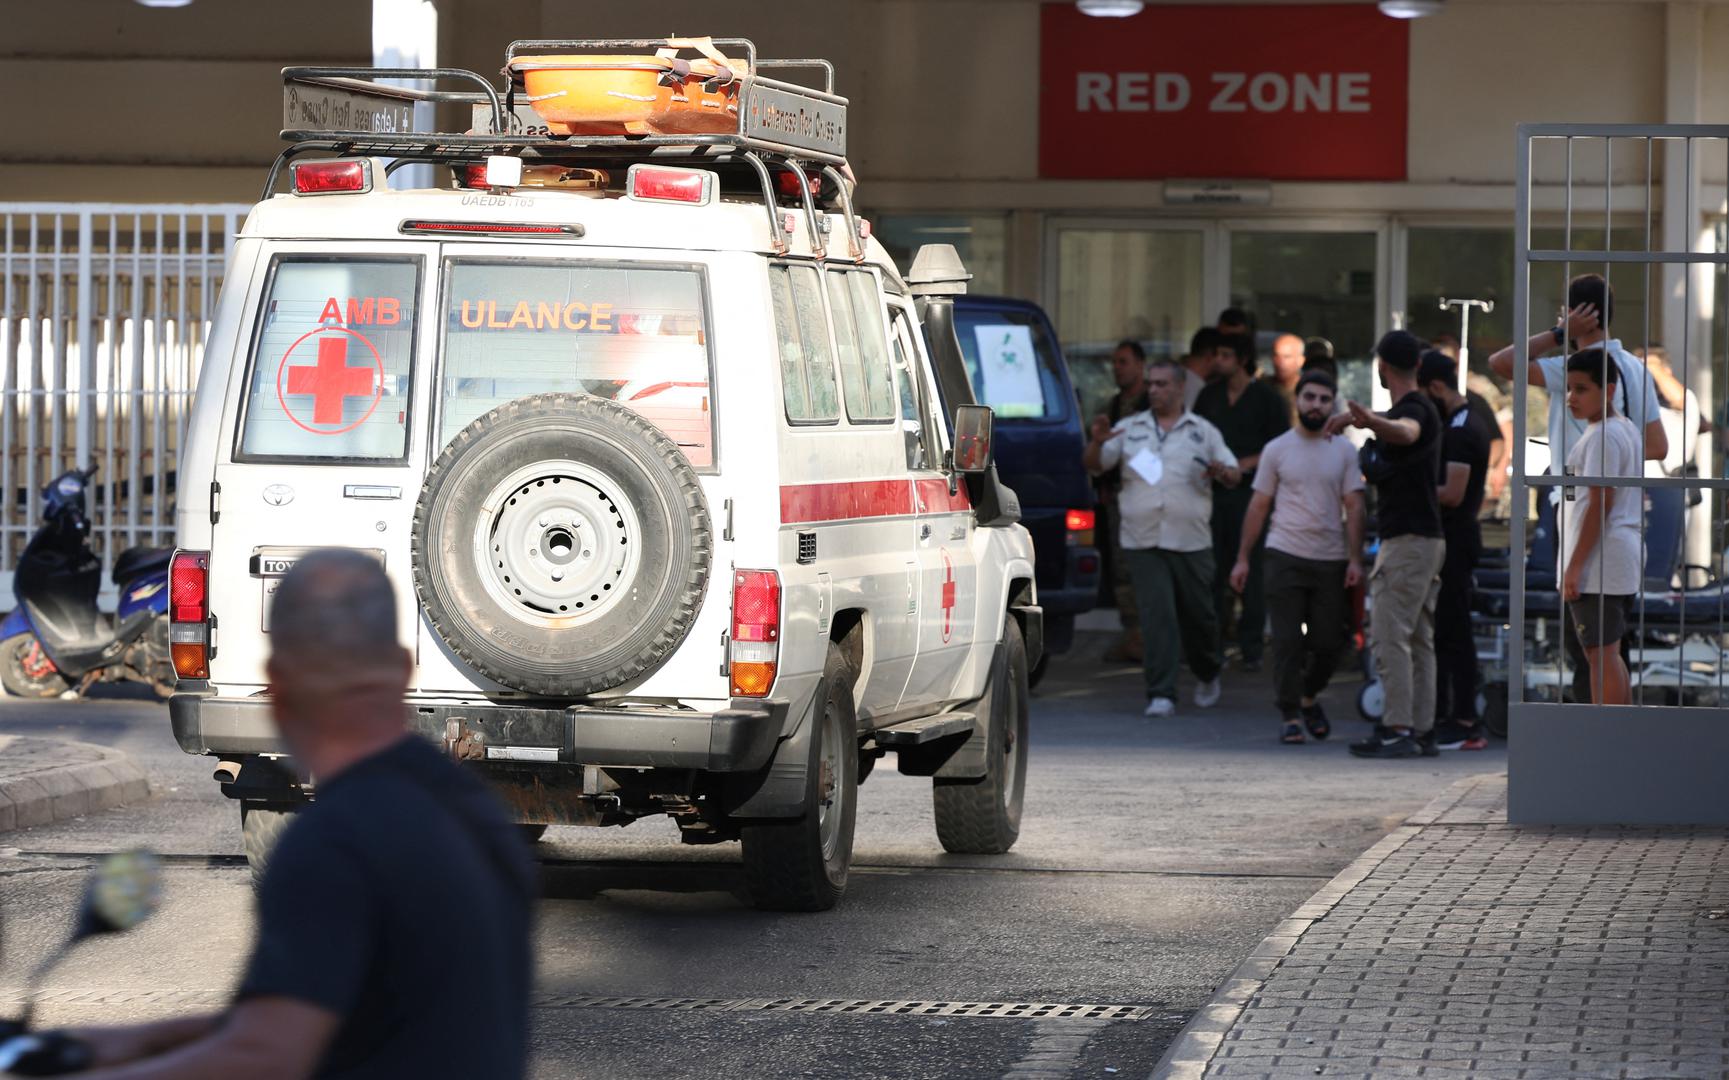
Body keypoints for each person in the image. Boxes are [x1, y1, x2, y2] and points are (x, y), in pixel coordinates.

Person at [53, 550, 538, 1079]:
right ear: (402, 669)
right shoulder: (474, 811)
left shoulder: (334, 841)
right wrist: (124, 1043)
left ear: (277, 691)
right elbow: (305, 1010)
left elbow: (263, 1055)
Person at [1085, 358, 1240, 718]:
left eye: (1161, 384)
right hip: (1143, 540)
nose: (1153, 390)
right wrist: (1095, 442)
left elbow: (1233, 474)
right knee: (1157, 617)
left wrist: (1223, 472)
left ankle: (1207, 669)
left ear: (1180, 387)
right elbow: (1094, 464)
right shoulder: (1128, 428)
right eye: (1151, 384)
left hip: (1191, 540)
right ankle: (1161, 691)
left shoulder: (1203, 431)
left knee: (1200, 617)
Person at [1229, 370, 1365, 744]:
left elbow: (1354, 506)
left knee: (1328, 643)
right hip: (1284, 553)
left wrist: (1355, 559)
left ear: (1332, 403)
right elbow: (1259, 505)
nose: (1316, 405)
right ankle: (1290, 714)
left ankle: (1307, 697)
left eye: (1324, 399)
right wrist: (1242, 558)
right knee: (1287, 640)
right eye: (1309, 397)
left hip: (1331, 559)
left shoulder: (1344, 451)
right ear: (1297, 400)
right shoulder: (1277, 449)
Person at [1326, 330, 1445, 759]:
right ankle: (1421, 727)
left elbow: (1406, 431)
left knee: (1390, 635)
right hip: (1424, 540)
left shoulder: (1414, 411)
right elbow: (1402, 426)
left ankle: (1398, 727)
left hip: (1409, 542)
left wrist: (1372, 422)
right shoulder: (1419, 406)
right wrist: (1366, 419)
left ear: (1382, 366)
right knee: (1418, 638)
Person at [1486, 273, 1668, 469]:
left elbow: (1500, 363)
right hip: (1624, 491)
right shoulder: (1637, 367)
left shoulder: (1573, 367)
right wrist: (1613, 462)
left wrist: (1559, 334)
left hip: (1577, 492)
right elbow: (1657, 446)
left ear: (1571, 314)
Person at [1195, 331, 1290, 672]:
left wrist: (1242, 466)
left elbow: (1279, 446)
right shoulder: (1209, 396)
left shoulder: (1267, 398)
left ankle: (1250, 646)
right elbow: (1195, 438)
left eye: (1224, 354)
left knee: (1250, 568)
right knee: (1214, 571)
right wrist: (1215, 467)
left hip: (1252, 496)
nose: (1217, 361)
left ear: (1241, 359)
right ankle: (1215, 644)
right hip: (1213, 494)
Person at [1417, 349, 1493, 750]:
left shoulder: (1463, 429)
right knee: (1446, 629)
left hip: (1457, 540)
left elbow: (1453, 492)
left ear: (1435, 387)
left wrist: (1410, 486)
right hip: (1453, 539)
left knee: (1454, 630)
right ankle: (1452, 712)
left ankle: (1463, 717)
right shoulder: (1457, 422)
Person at [1557, 349, 1640, 706]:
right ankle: (1616, 736)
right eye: (1569, 388)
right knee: (1607, 653)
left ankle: (1609, 737)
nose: (1572, 397)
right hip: (1610, 556)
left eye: (1582, 389)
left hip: (1600, 559)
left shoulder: (1604, 436)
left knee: (1600, 655)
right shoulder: (1618, 431)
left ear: (1607, 391)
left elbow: (1600, 500)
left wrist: (1575, 565)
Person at [1094, 340, 1150, 663]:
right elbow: (1102, 454)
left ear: (1141, 365)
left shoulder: (1149, 407)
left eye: (1124, 362)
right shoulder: (1113, 407)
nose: (1118, 368)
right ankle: (1134, 635)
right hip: (1120, 501)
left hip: (1150, 501)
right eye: (1115, 362)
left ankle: (1147, 636)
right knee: (1122, 570)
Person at [1182, 327, 1225, 412]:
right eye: (1222, 355)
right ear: (1209, 356)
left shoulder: (1173, 378)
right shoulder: (1198, 390)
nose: (1222, 362)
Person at [1268, 333, 1306, 399]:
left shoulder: (1309, 390)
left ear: (1300, 360)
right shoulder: (1261, 388)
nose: (1280, 362)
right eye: (1276, 356)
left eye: (1287, 357)